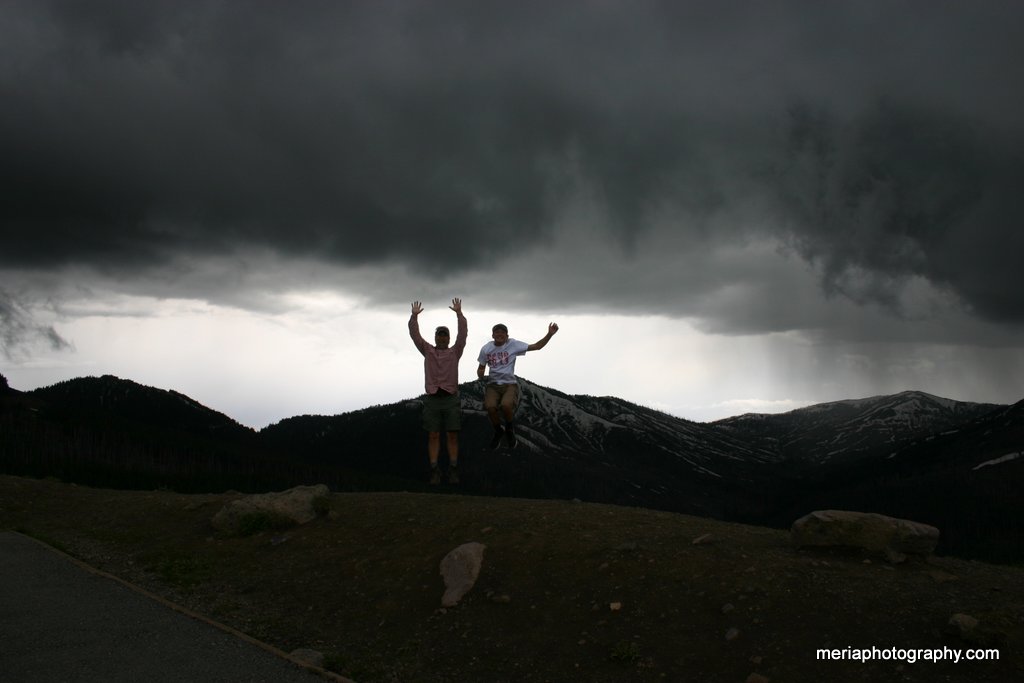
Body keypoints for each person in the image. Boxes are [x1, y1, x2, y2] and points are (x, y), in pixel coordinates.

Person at [409, 298, 467, 485]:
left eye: (445, 336)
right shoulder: (427, 350)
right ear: (435, 338)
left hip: (450, 398)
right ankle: (434, 470)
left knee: (452, 434)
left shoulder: (455, 351)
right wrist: (414, 317)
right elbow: (415, 335)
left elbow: (463, 334)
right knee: (433, 435)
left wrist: (459, 314)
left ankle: (453, 469)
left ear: (448, 338)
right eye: (439, 335)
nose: (442, 338)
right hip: (433, 398)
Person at [476, 321, 559, 449]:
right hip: (493, 384)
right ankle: (498, 431)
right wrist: (481, 374)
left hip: (509, 384)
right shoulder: (486, 349)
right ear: (492, 335)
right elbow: (481, 367)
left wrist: (549, 334)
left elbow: (537, 346)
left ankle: (509, 429)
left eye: (502, 332)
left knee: (506, 405)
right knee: (490, 408)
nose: (499, 334)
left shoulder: (513, 345)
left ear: (507, 336)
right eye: (497, 332)